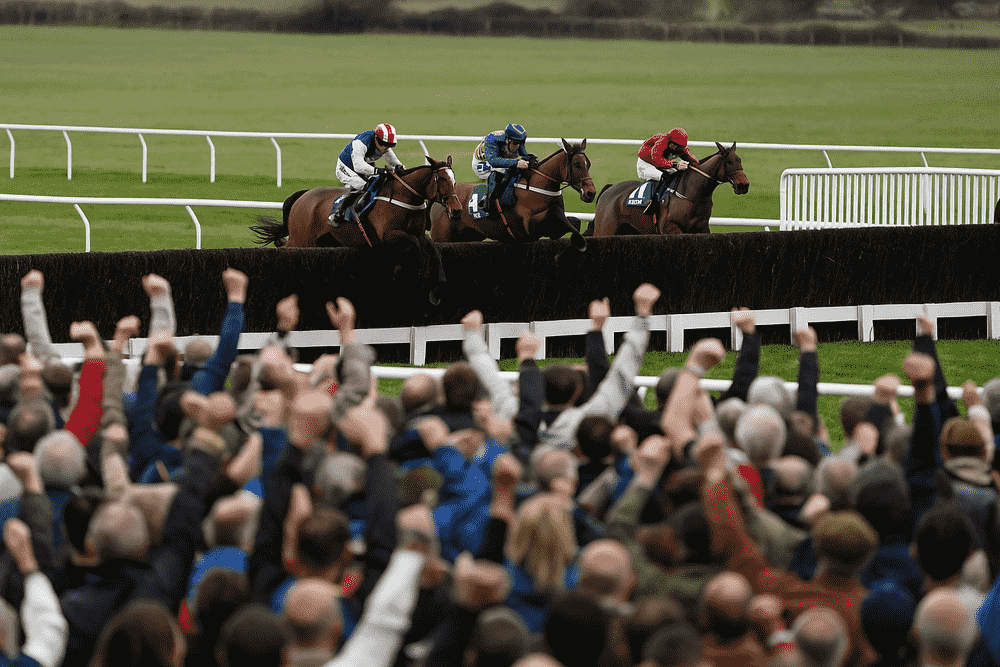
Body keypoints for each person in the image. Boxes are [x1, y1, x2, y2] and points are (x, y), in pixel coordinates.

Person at [330, 123, 405, 228]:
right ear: (376, 138)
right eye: (383, 144)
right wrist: (379, 171)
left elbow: (393, 161)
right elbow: (358, 166)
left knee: (378, 184)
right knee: (363, 186)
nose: (386, 148)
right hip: (346, 168)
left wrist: (402, 169)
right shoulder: (361, 142)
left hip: (364, 167)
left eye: (389, 145)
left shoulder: (384, 146)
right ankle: (337, 212)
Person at [637, 127, 701, 215]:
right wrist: (675, 165)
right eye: (678, 147)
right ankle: (651, 203)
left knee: (677, 174)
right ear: (671, 143)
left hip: (661, 162)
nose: (680, 149)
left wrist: (698, 165)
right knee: (663, 177)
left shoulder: (680, 147)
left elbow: (692, 160)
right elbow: (656, 158)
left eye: (682, 147)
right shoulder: (662, 142)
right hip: (646, 163)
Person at [472, 123, 533, 212]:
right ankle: (487, 201)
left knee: (516, 169)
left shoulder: (515, 139)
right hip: (482, 163)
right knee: (504, 170)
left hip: (498, 158)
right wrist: (516, 162)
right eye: (515, 143)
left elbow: (524, 155)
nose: (518, 146)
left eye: (521, 143)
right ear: (508, 140)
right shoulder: (492, 139)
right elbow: (493, 161)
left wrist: (532, 159)